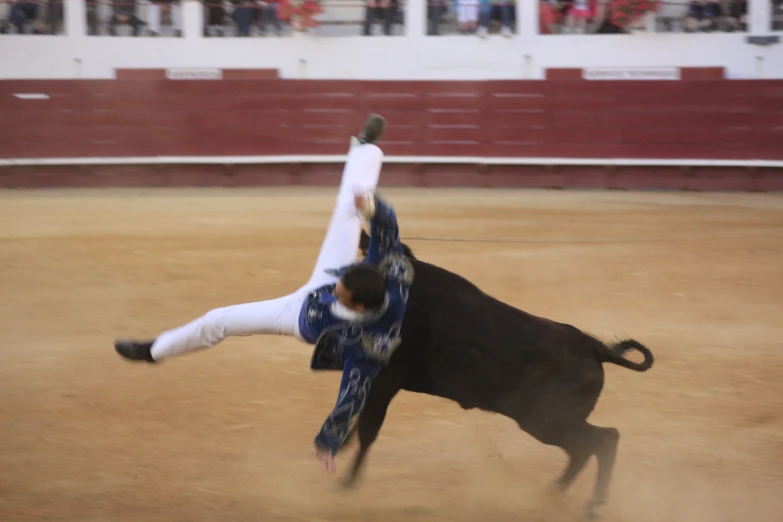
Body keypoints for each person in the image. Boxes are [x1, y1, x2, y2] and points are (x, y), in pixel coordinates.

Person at [114, 113, 413, 474]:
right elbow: (388, 227)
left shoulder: (369, 343)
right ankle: (365, 149)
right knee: (350, 209)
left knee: (218, 320)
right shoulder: (389, 273)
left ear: (357, 304)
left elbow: (353, 394)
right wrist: (372, 207)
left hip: (295, 317)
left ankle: (153, 351)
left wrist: (329, 441)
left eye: (342, 292)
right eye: (343, 284)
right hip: (326, 279)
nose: (337, 290)